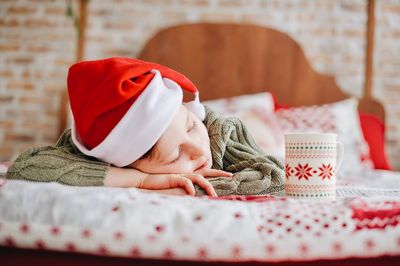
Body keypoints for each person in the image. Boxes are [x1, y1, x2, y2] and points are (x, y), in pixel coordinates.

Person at [6, 58, 285, 197]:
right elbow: (25, 168)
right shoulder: (101, 150)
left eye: (189, 127)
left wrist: (191, 188)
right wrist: (140, 182)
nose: (199, 150)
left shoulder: (220, 131)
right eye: (175, 156)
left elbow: (274, 177)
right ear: (130, 163)